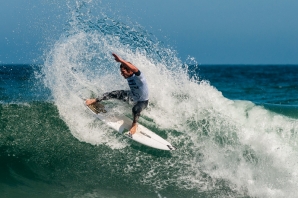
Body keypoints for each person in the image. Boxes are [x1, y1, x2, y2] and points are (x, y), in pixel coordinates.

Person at [85, 53, 149, 136]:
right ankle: (95, 100)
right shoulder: (129, 76)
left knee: (135, 109)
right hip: (132, 95)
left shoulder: (139, 78)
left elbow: (135, 69)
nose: (122, 74)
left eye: (123, 72)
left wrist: (121, 61)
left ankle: (134, 124)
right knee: (113, 93)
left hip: (142, 101)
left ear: (129, 70)